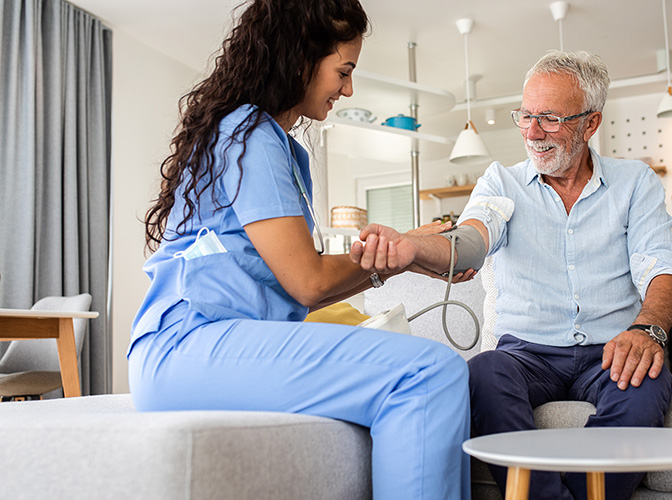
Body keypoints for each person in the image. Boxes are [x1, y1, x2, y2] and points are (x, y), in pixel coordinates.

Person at [129, 1, 471, 498]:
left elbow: (299, 287)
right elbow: (308, 281)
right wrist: (410, 251)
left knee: (427, 368)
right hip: (186, 343)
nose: (348, 89)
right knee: (428, 371)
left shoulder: (282, 148)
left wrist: (406, 252)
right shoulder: (249, 133)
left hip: (204, 344)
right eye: (344, 71)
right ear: (300, 58)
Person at [352, 50, 672, 500]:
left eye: (549, 118)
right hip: (526, 355)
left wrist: (648, 329)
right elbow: (471, 240)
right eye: (525, 115)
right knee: (484, 372)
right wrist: (412, 247)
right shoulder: (500, 182)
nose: (531, 132)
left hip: (612, 349)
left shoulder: (634, 183)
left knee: (647, 378)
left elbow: (661, 267)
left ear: (590, 123)